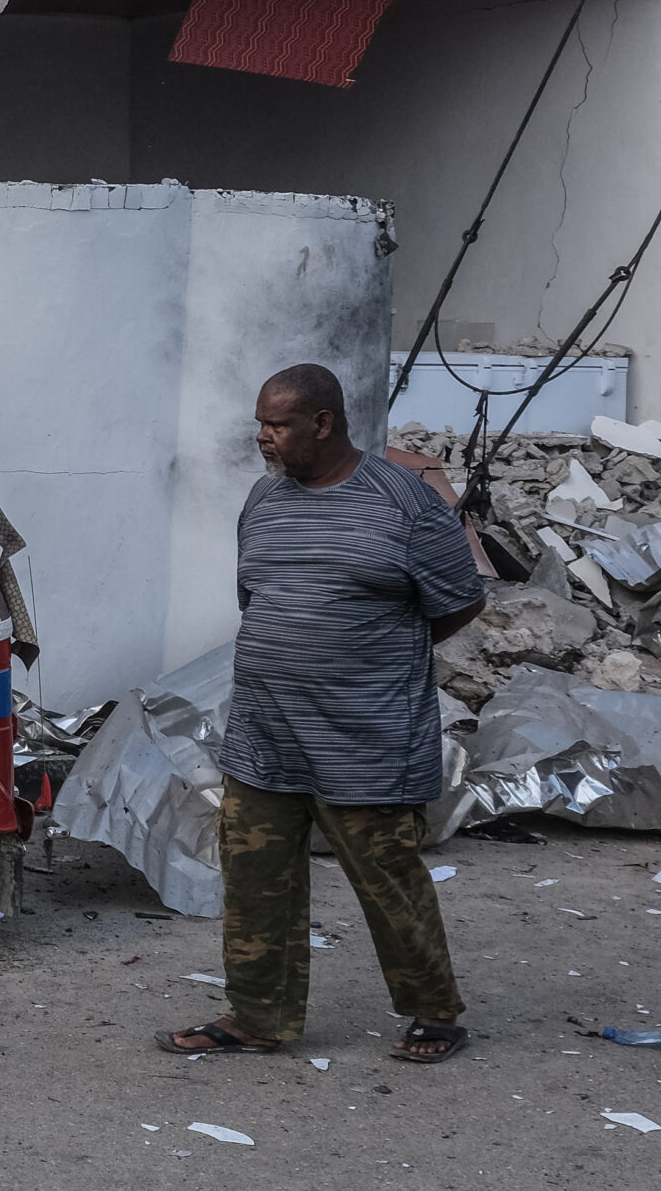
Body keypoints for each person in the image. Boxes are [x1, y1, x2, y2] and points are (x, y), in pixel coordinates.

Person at [158, 363, 486, 1064]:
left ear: (323, 423)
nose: (263, 438)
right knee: (255, 883)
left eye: (277, 425)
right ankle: (257, 1016)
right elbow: (261, 597)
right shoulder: (263, 502)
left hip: (366, 739)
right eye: (260, 423)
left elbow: (460, 598)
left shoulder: (404, 503)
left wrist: (372, 655)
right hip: (265, 736)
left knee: (388, 879)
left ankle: (435, 1011)